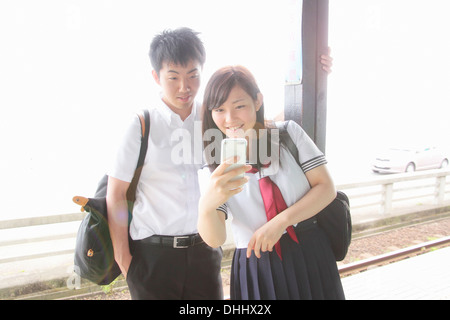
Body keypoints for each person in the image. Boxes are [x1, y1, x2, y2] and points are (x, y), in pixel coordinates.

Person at [197, 65, 345, 300]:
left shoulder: (287, 135)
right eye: (219, 109)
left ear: (257, 102)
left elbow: (326, 188)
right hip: (258, 266)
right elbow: (216, 239)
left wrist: (279, 223)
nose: (229, 119)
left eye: (239, 106)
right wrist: (206, 207)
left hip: (310, 251)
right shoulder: (213, 165)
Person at [106, 28, 223, 300]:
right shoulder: (141, 124)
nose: (185, 87)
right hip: (153, 257)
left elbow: (255, 123)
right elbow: (116, 194)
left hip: (204, 252)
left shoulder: (213, 118)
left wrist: (318, 64)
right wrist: (126, 261)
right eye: (174, 77)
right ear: (156, 77)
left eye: (193, 75)